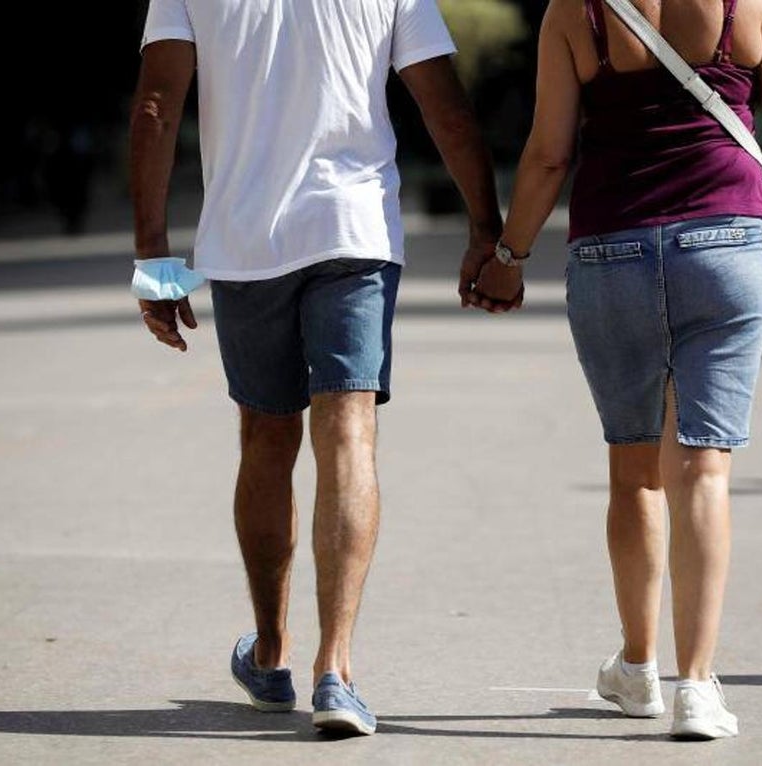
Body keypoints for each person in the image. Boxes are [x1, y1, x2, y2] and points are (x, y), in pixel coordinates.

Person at [475, 0, 762, 739]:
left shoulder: (572, 12)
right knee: (704, 470)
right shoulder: (752, 5)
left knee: (634, 470)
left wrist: (506, 258)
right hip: (726, 246)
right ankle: (698, 687)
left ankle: (638, 669)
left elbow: (549, 154)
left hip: (612, 246)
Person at [130, 0, 506, 736]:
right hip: (354, 229)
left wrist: (153, 257)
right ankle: (335, 671)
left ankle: (271, 653)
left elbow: (155, 102)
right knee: (349, 431)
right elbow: (445, 106)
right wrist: (487, 230)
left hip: (245, 239)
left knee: (267, 437)